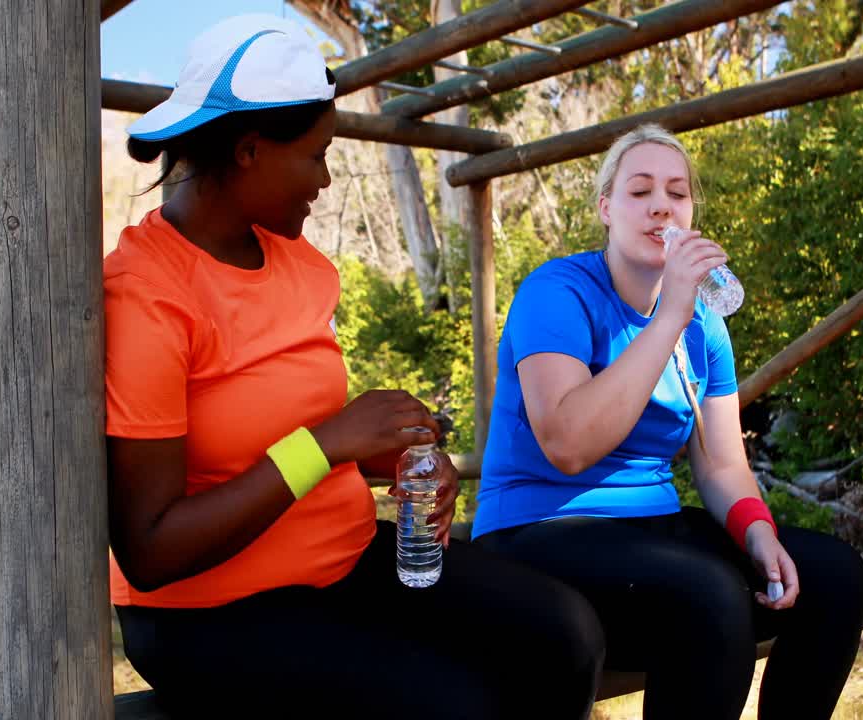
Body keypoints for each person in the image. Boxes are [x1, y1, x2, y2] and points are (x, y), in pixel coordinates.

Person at [104, 15, 603, 719]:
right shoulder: (147, 293)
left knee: (566, 634)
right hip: (208, 613)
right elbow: (152, 550)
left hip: (344, 561)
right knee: (461, 705)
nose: (327, 178)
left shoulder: (300, 265)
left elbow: (293, 432)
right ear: (249, 151)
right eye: (316, 155)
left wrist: (395, 455)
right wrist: (327, 443)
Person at [472, 123, 863, 719]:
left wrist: (758, 532)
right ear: (606, 209)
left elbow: (722, 463)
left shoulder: (704, 323)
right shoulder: (556, 292)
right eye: (640, 191)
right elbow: (567, 444)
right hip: (538, 528)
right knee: (710, 595)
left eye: (677, 193)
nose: (661, 205)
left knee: (835, 577)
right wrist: (670, 316)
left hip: (651, 532)